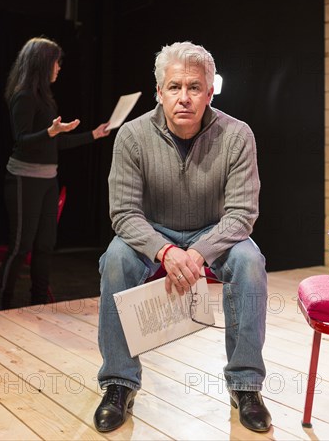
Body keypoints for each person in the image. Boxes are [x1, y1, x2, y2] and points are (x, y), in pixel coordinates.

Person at [94, 41, 272, 434]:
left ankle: (245, 385)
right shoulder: (132, 136)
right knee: (117, 259)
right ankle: (119, 382)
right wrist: (166, 249)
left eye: (195, 88)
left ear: (210, 92)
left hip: (214, 231)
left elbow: (243, 213)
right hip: (154, 231)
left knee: (249, 261)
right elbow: (123, 212)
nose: (185, 98)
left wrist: (199, 252)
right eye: (174, 87)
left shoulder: (238, 135)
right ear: (159, 92)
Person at [0, 36, 110, 310]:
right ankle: (1, 307)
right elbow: (22, 139)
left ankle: (38, 305)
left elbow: (54, 141)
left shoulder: (45, 98)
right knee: (20, 246)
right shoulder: (23, 95)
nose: (59, 67)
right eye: (56, 62)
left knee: (45, 246)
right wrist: (50, 131)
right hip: (24, 180)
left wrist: (93, 135)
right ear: (43, 62)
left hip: (48, 179)